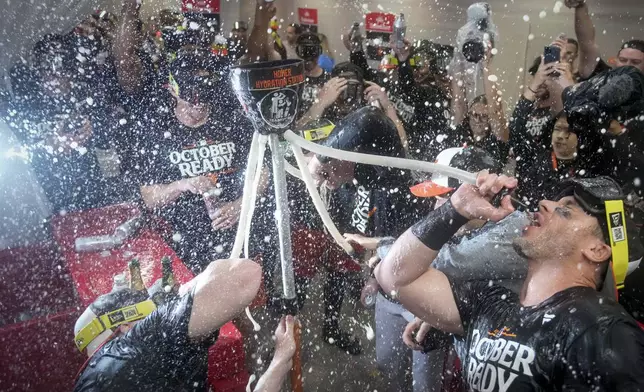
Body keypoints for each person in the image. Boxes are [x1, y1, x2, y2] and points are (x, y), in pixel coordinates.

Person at [376, 172, 644, 390]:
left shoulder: (602, 333)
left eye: (566, 212)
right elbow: (395, 276)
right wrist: (456, 209)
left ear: (596, 251)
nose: (545, 204)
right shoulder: (491, 303)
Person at [346, 146, 529, 392]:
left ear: (485, 196)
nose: (438, 203)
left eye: (445, 196)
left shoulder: (513, 230)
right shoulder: (478, 225)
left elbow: (442, 261)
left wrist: (382, 247)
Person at [74, 257, 294, 392]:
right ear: (126, 326)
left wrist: (280, 359)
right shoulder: (132, 352)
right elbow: (244, 274)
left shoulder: (97, 374)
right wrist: (181, 295)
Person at [565, 0, 644, 79]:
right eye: (623, 60)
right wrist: (580, 6)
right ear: (616, 61)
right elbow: (586, 44)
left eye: (635, 62)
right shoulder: (604, 78)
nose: (627, 66)